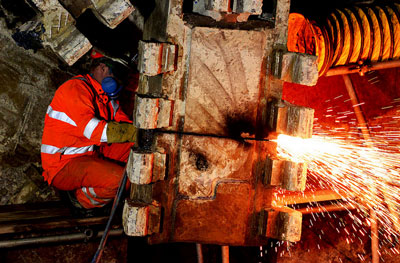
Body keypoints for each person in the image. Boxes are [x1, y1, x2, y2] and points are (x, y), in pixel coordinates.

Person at [41, 52, 137, 211]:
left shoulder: (103, 96)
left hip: (89, 152)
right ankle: (82, 199)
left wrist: (140, 131)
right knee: (120, 181)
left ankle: (103, 183)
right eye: (117, 74)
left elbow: (122, 122)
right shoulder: (75, 89)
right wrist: (133, 131)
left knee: (135, 144)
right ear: (102, 67)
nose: (119, 80)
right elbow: (94, 131)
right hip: (63, 165)